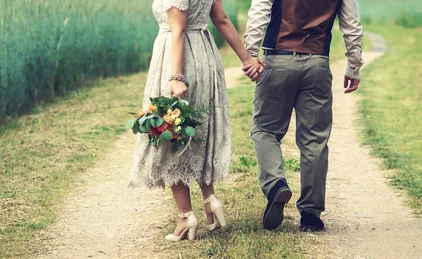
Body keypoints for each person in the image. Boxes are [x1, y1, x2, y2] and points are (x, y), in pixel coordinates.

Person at [129, 0, 263, 241]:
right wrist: (246, 59)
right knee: (196, 131)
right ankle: (210, 201)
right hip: (204, 55)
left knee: (171, 131)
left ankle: (185, 216)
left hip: (178, 58)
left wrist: (176, 77)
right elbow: (221, 19)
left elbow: (178, 29)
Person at [244, 0, 364, 231]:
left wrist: (250, 53)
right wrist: (354, 66)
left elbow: (259, 13)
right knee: (315, 141)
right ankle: (311, 215)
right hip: (317, 63)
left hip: (277, 60)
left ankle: (275, 183)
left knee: (265, 131)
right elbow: (352, 25)